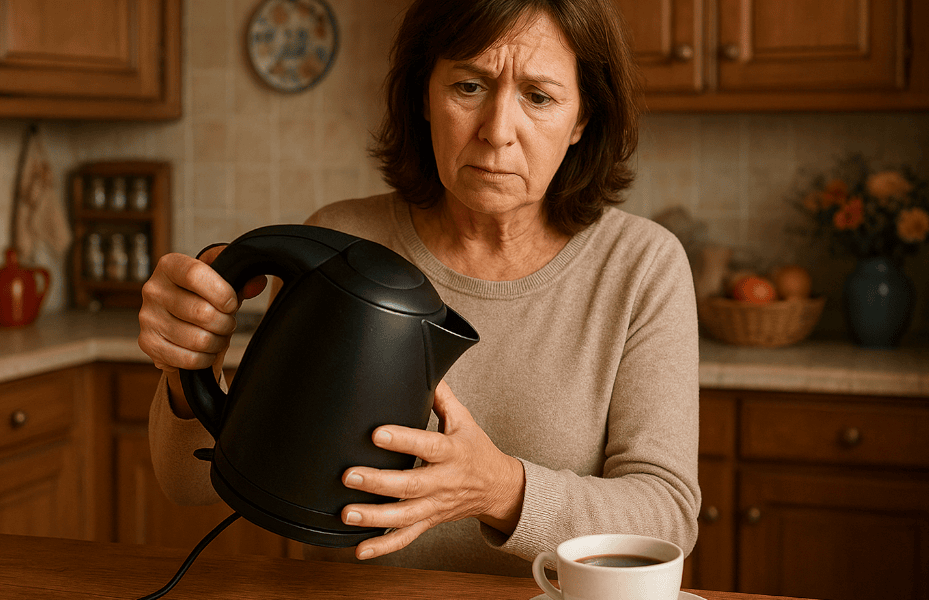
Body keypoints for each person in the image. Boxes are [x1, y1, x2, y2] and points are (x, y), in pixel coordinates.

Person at [138, 0, 700, 578]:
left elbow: (668, 517)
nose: (497, 132)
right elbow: (189, 486)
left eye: (539, 96)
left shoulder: (642, 266)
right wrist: (188, 363)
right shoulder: (340, 240)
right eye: (468, 85)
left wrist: (502, 490)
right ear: (423, 95)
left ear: (583, 117)